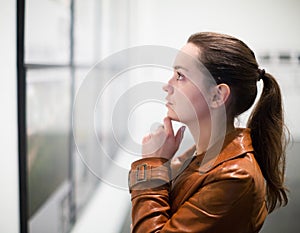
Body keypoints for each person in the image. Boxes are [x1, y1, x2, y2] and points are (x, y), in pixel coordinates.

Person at [128, 32, 288, 233]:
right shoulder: (203, 157)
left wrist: (151, 165)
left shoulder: (235, 177)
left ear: (217, 95)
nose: (167, 86)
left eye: (180, 76)